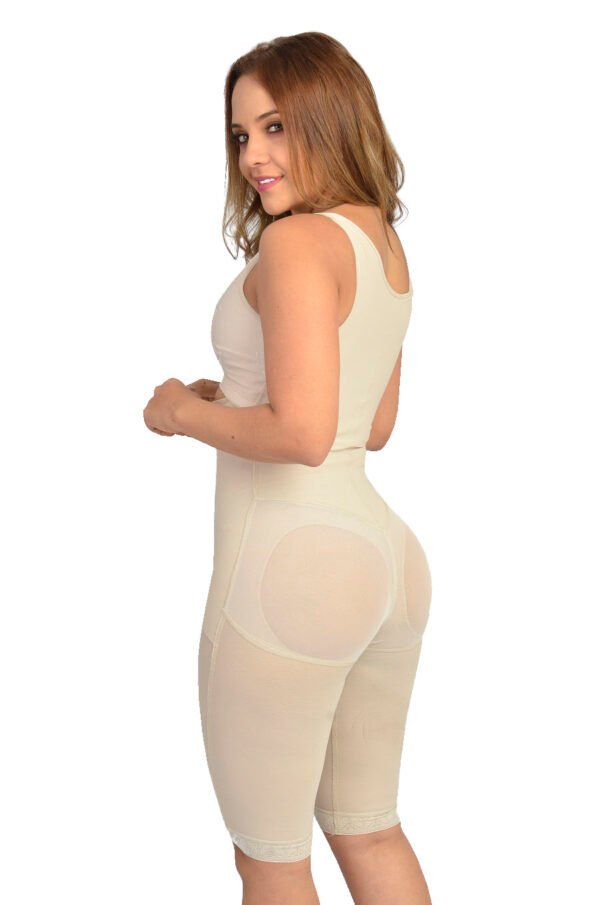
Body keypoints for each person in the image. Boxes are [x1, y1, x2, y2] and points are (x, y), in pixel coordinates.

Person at [143, 31, 433, 905]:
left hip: (291, 572)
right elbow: (369, 424)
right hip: (385, 563)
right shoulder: (380, 242)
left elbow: (305, 432)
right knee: (368, 827)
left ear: (332, 117)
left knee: (269, 858)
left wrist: (180, 410)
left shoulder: (298, 243)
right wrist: (231, 399)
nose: (254, 157)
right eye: (241, 135)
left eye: (276, 127)